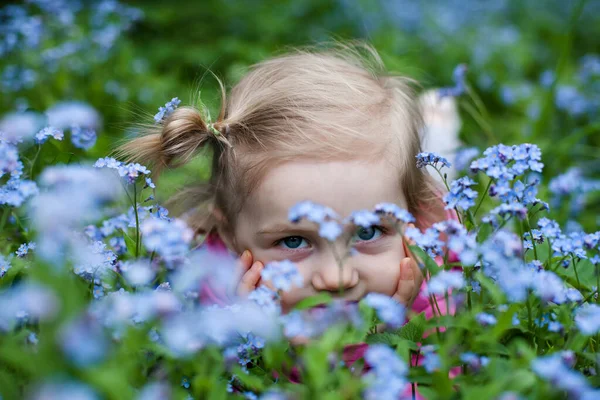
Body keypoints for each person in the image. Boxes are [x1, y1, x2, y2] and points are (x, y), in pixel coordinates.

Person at [119, 42, 455, 319]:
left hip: (427, 203)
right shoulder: (210, 294)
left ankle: (436, 143)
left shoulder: (434, 272)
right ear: (229, 232)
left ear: (411, 216)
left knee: (440, 182)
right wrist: (269, 343)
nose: (337, 278)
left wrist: (402, 327)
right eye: (294, 241)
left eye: (367, 232)